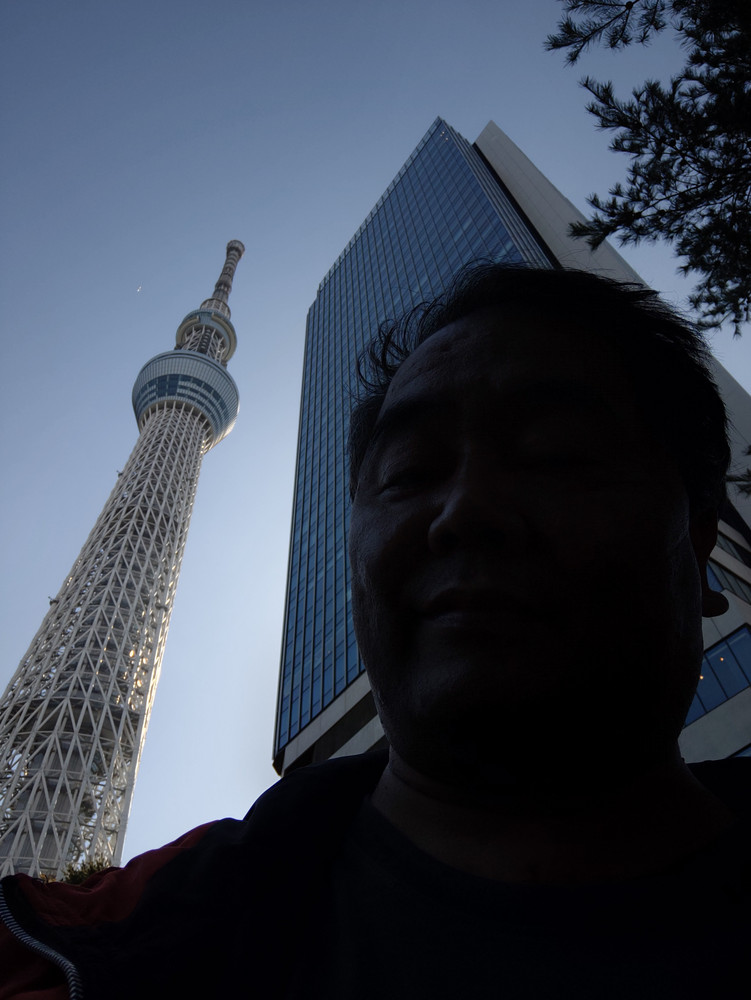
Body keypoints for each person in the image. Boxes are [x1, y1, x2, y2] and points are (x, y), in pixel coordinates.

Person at [1, 264, 748, 998]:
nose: (465, 510)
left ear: (700, 540)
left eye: (557, 454)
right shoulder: (77, 950)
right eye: (409, 471)